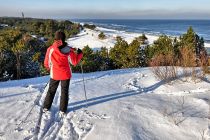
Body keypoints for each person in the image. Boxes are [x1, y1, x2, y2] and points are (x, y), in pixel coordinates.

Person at [43, 31, 83, 114]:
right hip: (65, 74)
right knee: (64, 91)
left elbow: (46, 63)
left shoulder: (50, 49)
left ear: (56, 38)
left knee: (51, 90)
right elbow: (74, 62)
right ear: (64, 38)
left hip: (54, 74)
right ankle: (63, 110)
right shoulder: (69, 49)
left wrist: (49, 68)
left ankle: (46, 107)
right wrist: (80, 54)